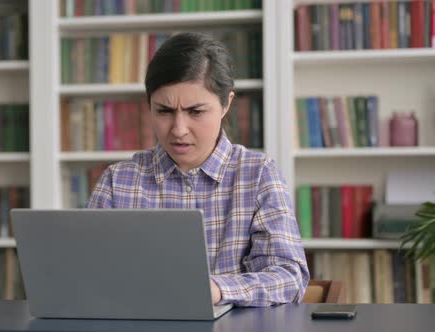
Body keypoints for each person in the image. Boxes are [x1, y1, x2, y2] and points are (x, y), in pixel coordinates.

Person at [86, 32, 309, 307]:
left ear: (226, 104)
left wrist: (215, 289)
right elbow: (86, 277)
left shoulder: (258, 174)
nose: (179, 130)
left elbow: (289, 278)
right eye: (164, 111)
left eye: (196, 112)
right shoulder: (117, 181)